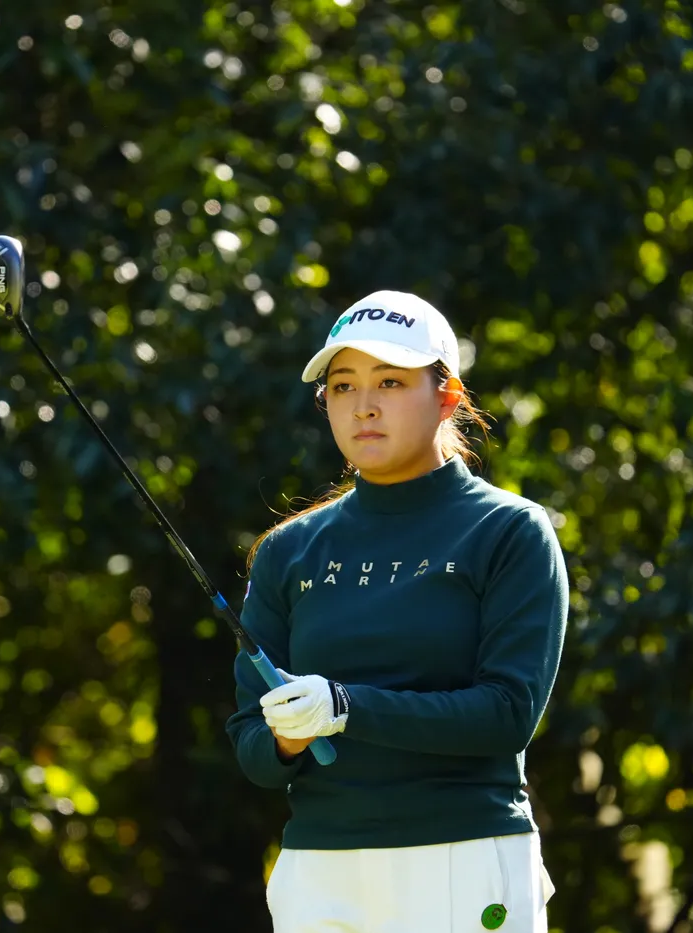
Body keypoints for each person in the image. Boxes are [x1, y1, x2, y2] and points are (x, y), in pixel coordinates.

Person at [225, 290, 568, 933]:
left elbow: (506, 715)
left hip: (463, 856)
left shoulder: (507, 530)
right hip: (321, 872)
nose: (364, 405)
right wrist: (287, 736)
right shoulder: (288, 551)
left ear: (447, 396)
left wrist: (345, 707)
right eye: (343, 386)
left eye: (389, 381)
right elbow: (253, 748)